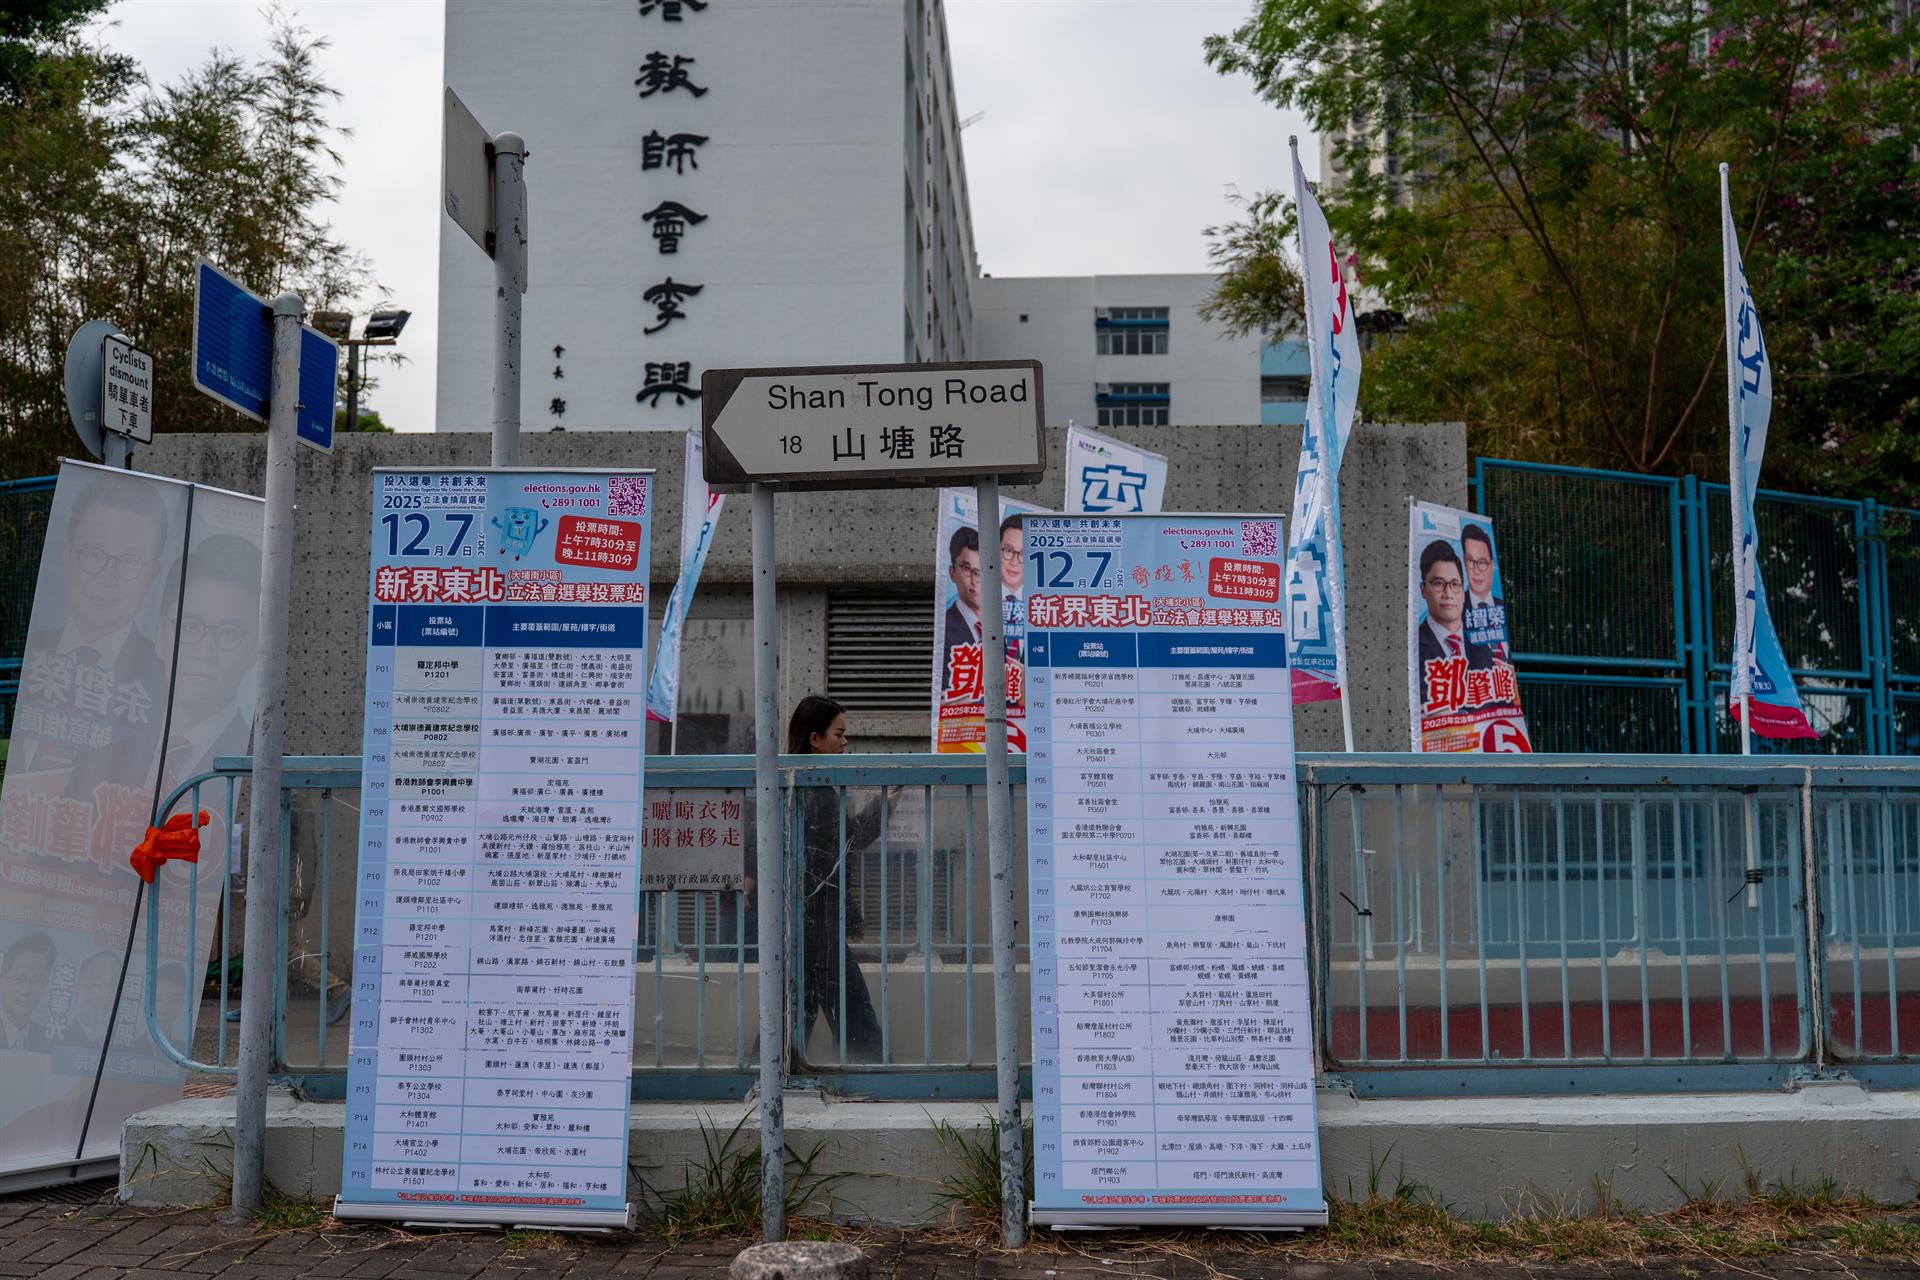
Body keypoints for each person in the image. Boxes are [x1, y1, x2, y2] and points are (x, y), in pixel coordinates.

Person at [16, 475, 174, 796]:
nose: (107, 578)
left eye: (129, 561)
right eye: (93, 554)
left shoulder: (165, 679)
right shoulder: (30, 654)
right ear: (67, 556)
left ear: (153, 573)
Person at [788, 695, 895, 1063]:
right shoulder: (811, 789)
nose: (845, 741)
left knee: (800, 1004)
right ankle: (870, 1070)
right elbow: (849, 841)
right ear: (814, 738)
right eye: (839, 733)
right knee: (847, 1005)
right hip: (817, 918)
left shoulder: (803, 784)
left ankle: (772, 1067)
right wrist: (886, 803)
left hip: (809, 917)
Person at [1416, 539, 1494, 708]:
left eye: (1455, 584)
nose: (1448, 593)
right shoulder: (1414, 647)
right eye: (1438, 584)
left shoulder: (1482, 648)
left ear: (1464, 593)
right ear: (1423, 589)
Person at [939, 525, 982, 689]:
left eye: (980, 571)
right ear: (952, 573)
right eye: (967, 569)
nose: (975, 580)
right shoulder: (944, 629)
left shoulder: (998, 631)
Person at [1460, 523, 1509, 663]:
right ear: (1464, 562)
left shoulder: (1502, 608)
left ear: (1492, 565)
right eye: (1470, 561)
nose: (1476, 570)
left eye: (1482, 562)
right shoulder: (1454, 611)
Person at [0, 933, 55, 1052]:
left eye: (36, 980)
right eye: (19, 979)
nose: (26, 990)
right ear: (2, 981)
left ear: (45, 985)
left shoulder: (48, 1040)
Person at [997, 514, 1025, 661]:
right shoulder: (978, 600)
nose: (1015, 561)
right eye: (1008, 551)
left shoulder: (1045, 608)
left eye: (1024, 554)